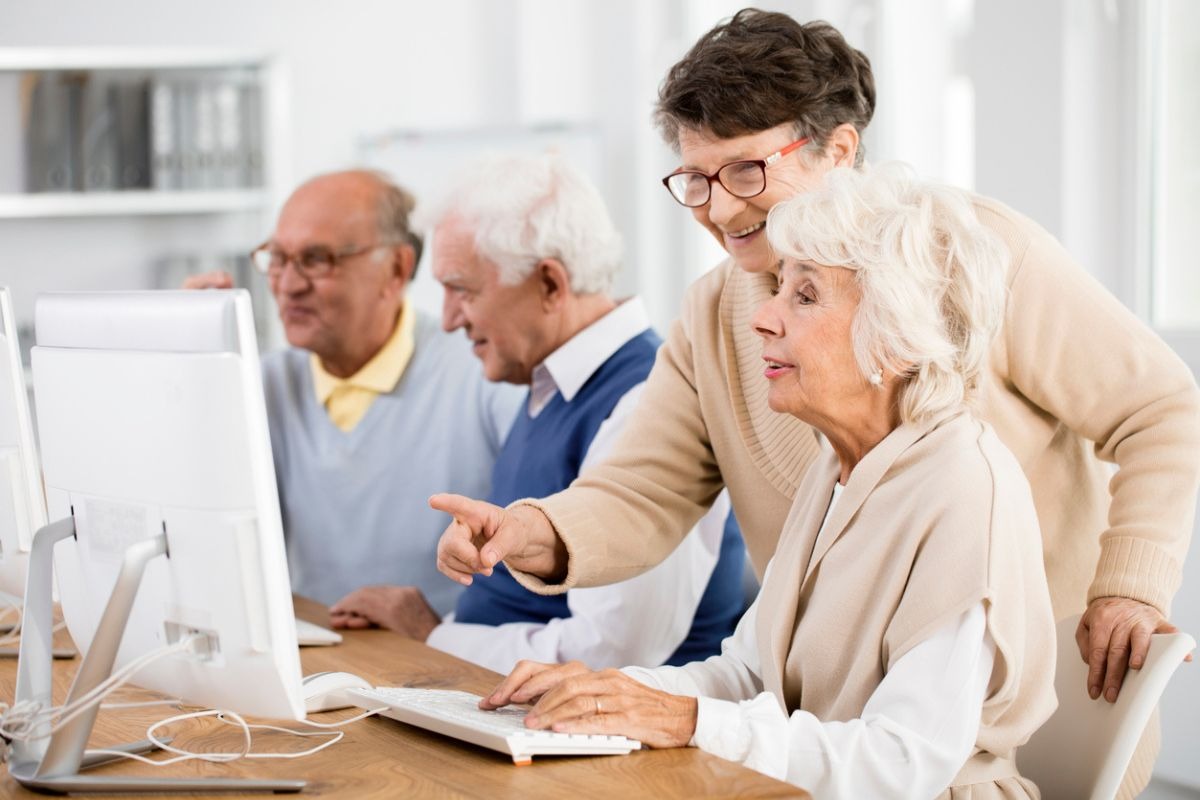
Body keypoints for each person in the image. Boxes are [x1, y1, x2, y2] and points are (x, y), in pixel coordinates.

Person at [432, 10, 1199, 792]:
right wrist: (531, 529)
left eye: (745, 170)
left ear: (841, 149)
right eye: (695, 177)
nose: (720, 209)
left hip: (1005, 720)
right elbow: (642, 490)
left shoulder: (978, 261)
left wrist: (1129, 586)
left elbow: (1160, 407)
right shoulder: (721, 327)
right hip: (821, 740)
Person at [474, 165, 1056, 797]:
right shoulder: (839, 466)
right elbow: (750, 675)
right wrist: (611, 692)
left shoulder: (965, 487)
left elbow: (902, 763)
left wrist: (689, 721)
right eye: (778, 288)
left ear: (899, 337)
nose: (762, 318)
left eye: (804, 297)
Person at [329, 154, 745, 672]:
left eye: (462, 289)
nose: (451, 318)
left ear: (550, 284)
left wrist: (431, 635)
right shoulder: (549, 384)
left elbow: (607, 654)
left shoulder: (644, 400)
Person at [185, 170, 522, 612]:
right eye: (279, 258)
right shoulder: (260, 382)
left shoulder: (483, 370)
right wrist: (189, 376)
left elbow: (539, 554)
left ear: (397, 269)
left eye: (318, 259)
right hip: (313, 656)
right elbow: (194, 531)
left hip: (446, 661)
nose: (288, 285)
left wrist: (444, 636)